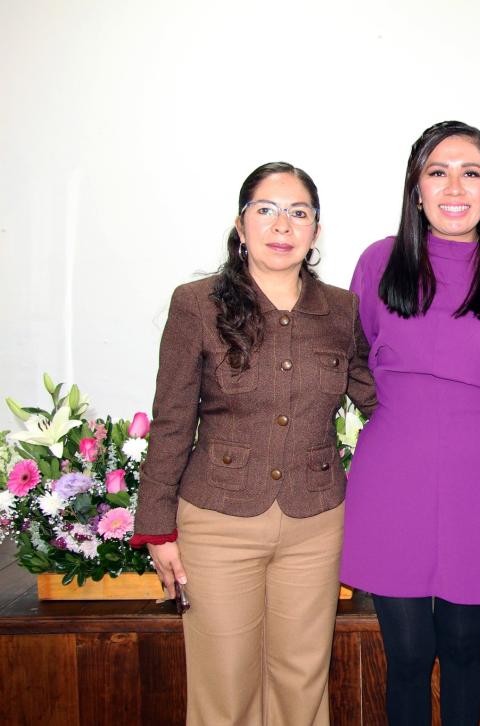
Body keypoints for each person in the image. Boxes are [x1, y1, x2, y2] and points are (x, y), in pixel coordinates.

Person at [131, 162, 377, 726]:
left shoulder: (342, 310)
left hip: (316, 522)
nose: (282, 225)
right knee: (225, 684)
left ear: (316, 230)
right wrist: (157, 527)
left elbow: (378, 401)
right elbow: (172, 421)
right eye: (266, 210)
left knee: (302, 679)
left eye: (298, 212)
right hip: (217, 521)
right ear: (241, 225)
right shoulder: (196, 304)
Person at [339, 120, 480, 726]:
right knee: (407, 655)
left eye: (470, 173)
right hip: (391, 478)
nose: (454, 187)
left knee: (461, 650)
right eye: (438, 172)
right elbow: (353, 362)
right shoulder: (379, 262)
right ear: (417, 188)